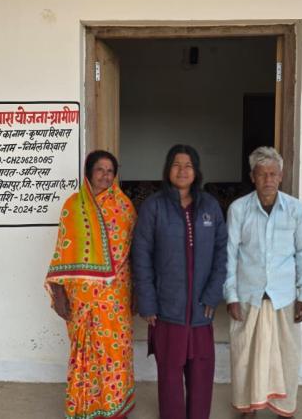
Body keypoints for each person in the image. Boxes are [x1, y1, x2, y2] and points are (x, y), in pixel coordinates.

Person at [132, 144, 228, 419]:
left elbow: (222, 252)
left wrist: (213, 293)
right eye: (176, 164)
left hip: (201, 308)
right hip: (167, 308)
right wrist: (147, 301)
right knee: (169, 374)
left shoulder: (210, 206)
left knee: (201, 372)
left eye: (188, 165)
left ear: (196, 171)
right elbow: (141, 255)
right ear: (168, 170)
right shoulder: (154, 206)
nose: (182, 170)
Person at [45, 150, 137, 419]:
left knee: (114, 351)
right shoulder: (73, 206)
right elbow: (63, 250)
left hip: (115, 295)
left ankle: (114, 406)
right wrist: (59, 293)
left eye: (110, 171)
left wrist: (138, 292)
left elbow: (134, 252)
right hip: (80, 297)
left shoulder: (124, 207)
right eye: (100, 170)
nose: (105, 176)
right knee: (85, 352)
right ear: (89, 173)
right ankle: (85, 406)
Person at [224, 146, 302, 418]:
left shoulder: (295, 209)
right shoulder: (239, 209)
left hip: (283, 297)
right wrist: (231, 296)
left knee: (286, 356)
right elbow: (230, 254)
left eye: (273, 174)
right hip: (248, 295)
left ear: (281, 176)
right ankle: (247, 407)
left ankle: (284, 409)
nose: (268, 179)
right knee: (245, 357)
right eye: (262, 174)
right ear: (253, 176)